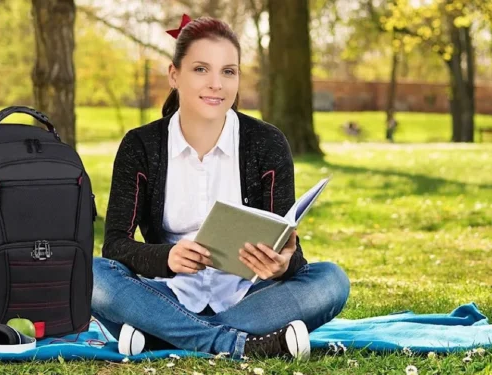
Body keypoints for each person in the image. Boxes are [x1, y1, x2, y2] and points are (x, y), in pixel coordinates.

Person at [91, 14, 350, 360]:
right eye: (201, 69)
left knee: (332, 280)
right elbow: (116, 247)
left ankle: (164, 337)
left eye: (228, 71)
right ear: (174, 75)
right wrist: (166, 257)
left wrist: (283, 264)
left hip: (252, 298)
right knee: (90, 275)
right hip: (166, 293)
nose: (216, 84)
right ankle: (238, 344)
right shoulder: (141, 146)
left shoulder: (266, 143)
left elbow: (290, 251)